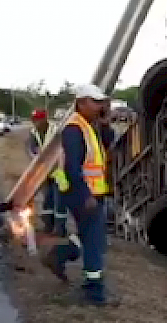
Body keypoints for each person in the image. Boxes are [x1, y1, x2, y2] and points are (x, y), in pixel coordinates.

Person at [42, 84, 118, 307]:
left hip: (93, 192)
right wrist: (86, 195)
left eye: (101, 102)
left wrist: (105, 125)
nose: (99, 106)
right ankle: (94, 292)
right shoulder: (74, 128)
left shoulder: (90, 125)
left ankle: (59, 256)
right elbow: (73, 167)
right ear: (81, 102)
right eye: (95, 102)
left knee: (92, 238)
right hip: (83, 194)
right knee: (94, 241)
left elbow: (106, 147)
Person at [26, 109, 68, 237]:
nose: (36, 123)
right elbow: (32, 150)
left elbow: (62, 150)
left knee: (59, 200)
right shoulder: (33, 132)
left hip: (59, 170)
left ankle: (60, 229)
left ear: (45, 119)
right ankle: (48, 225)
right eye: (34, 120)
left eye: (38, 120)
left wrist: (59, 169)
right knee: (47, 199)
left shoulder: (56, 130)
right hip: (44, 171)